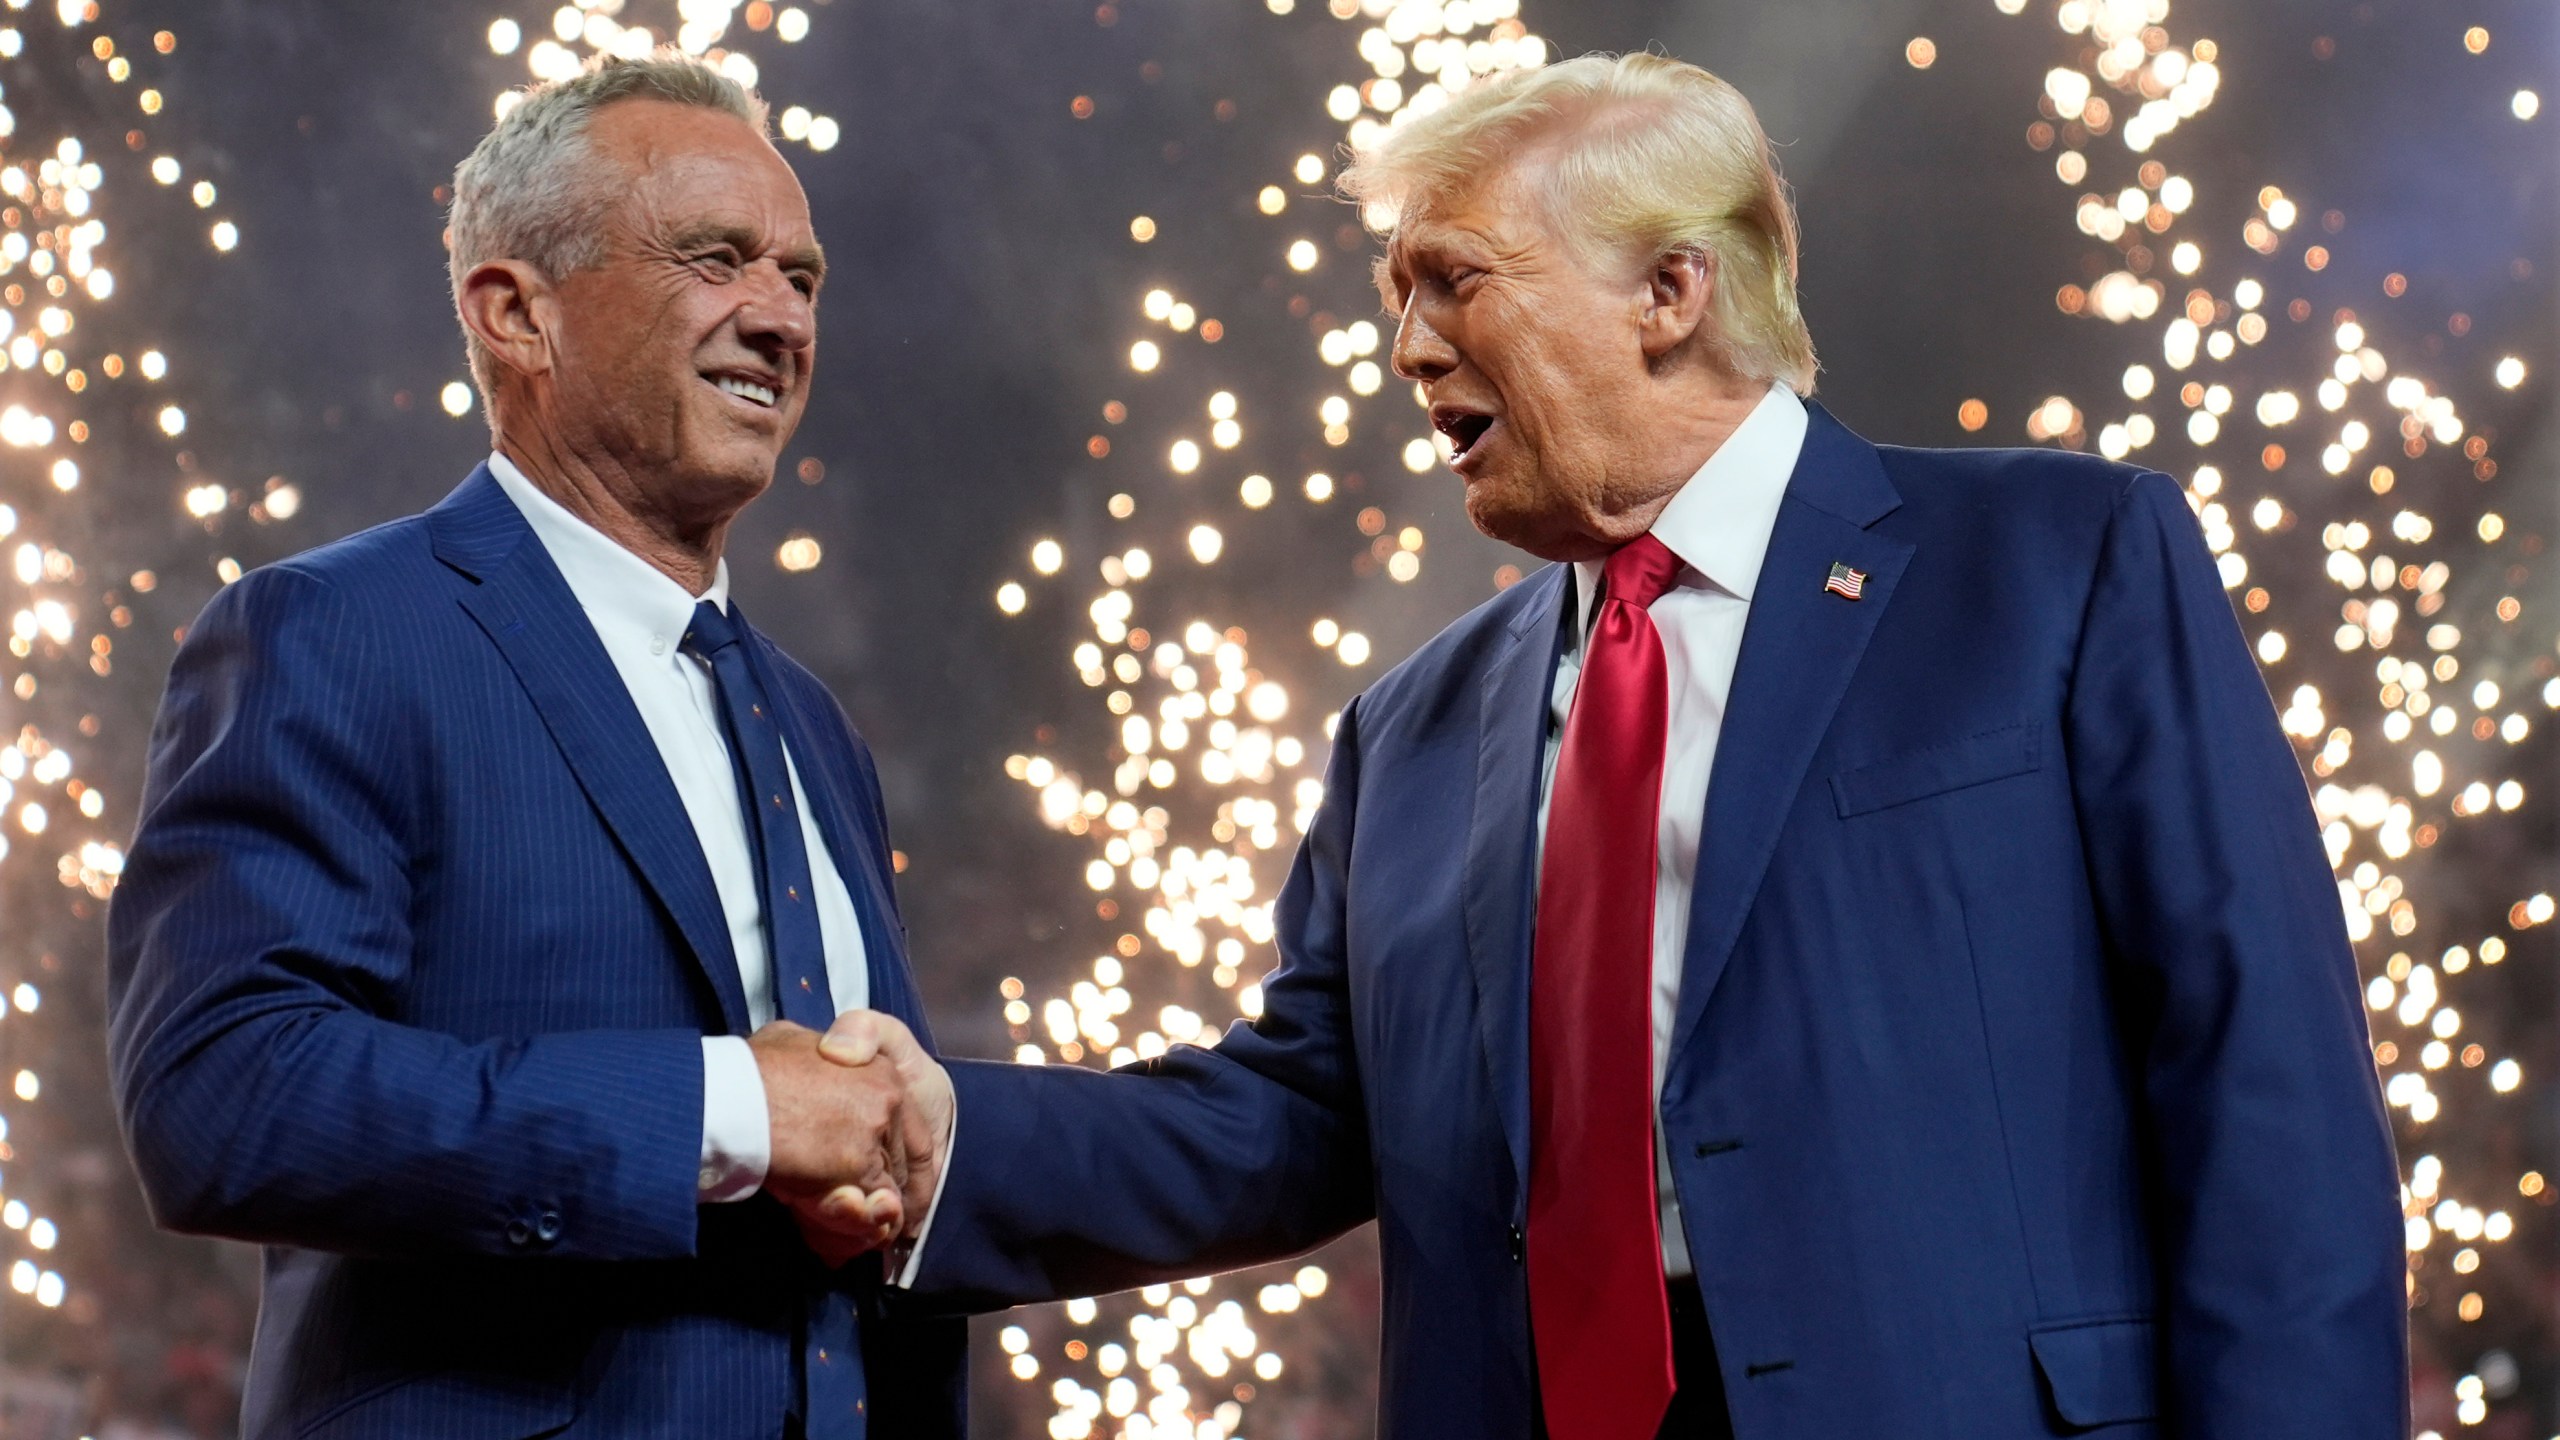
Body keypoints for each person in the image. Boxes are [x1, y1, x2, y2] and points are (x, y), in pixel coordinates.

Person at [837, 52, 2409, 1439]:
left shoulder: (2059, 563)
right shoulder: (1409, 731)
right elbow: (1290, 1122)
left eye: (1452, 279)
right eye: (1398, 294)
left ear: (1669, 293)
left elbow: (2261, 1077)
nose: (1407, 347)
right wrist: (932, 1133)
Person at [105, 55, 953, 1439]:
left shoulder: (814, 729)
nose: (781, 318)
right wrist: (732, 1108)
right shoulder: (333, 633)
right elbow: (224, 1096)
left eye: (803, 278)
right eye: (716, 259)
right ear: (517, 313)